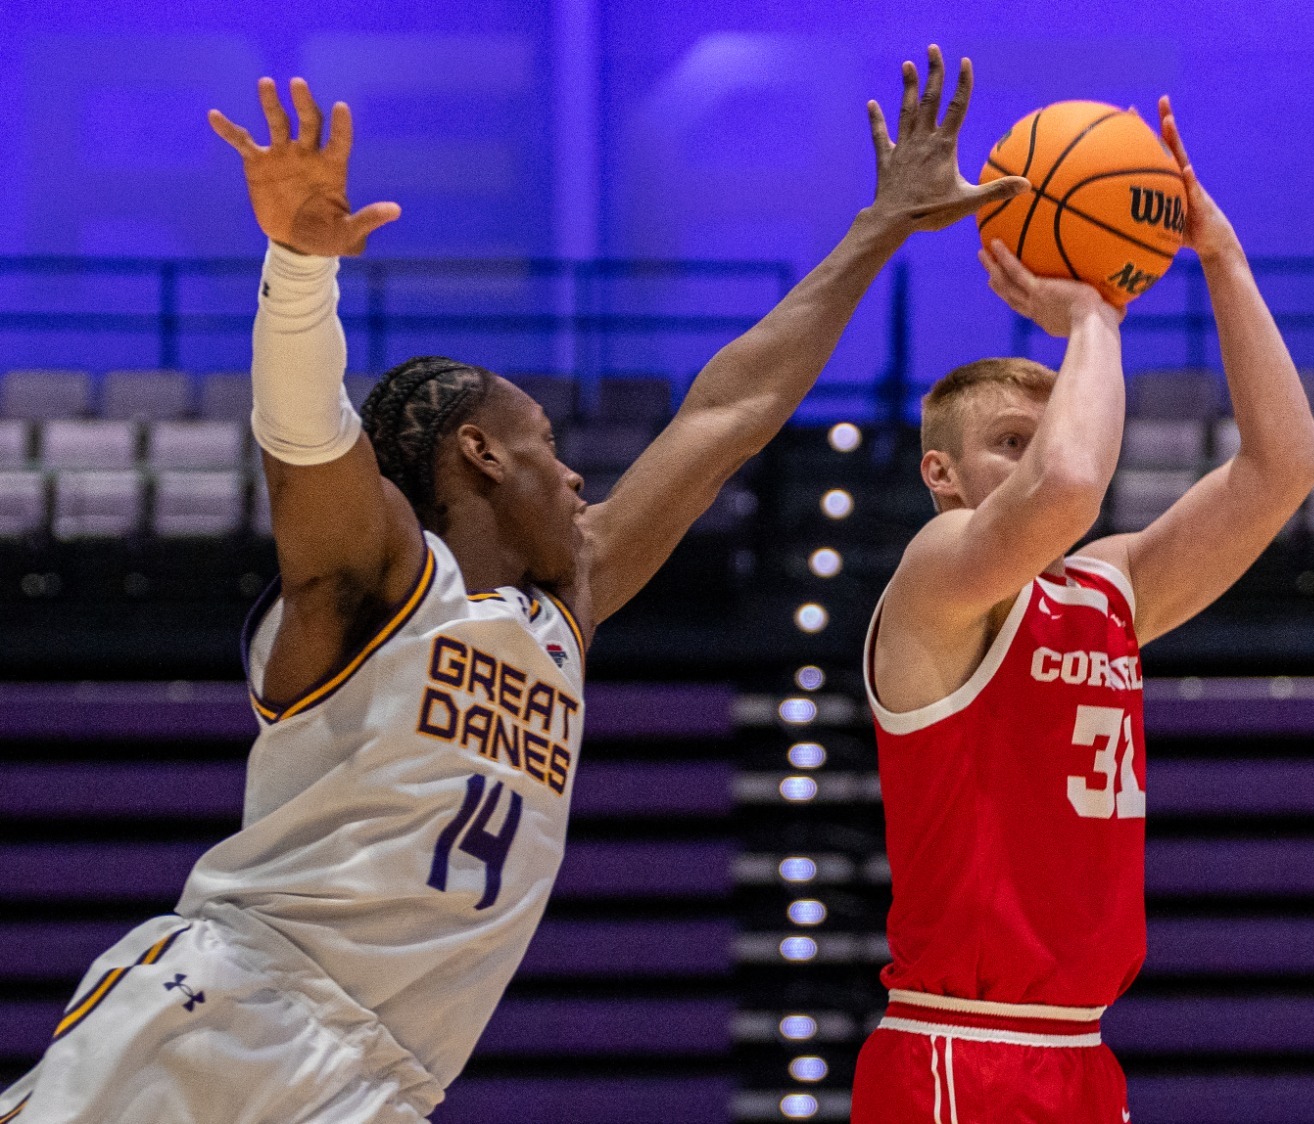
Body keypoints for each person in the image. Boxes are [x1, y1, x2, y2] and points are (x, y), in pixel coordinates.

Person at [0, 48, 1024, 1124]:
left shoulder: (560, 610)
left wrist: (879, 230)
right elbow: (305, 439)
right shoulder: (382, 576)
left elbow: (728, 412)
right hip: (231, 1011)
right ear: (480, 454)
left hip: (385, 1073)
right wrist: (301, 269)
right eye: (548, 443)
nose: (578, 472)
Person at [852, 97, 1314, 1123]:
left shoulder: (1104, 588)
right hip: (956, 1045)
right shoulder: (935, 573)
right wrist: (1091, 319)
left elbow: (1282, 467)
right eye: (1002, 442)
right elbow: (1070, 480)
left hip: (1078, 1051)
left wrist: (1222, 260)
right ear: (941, 472)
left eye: (1038, 429)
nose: (1035, 451)